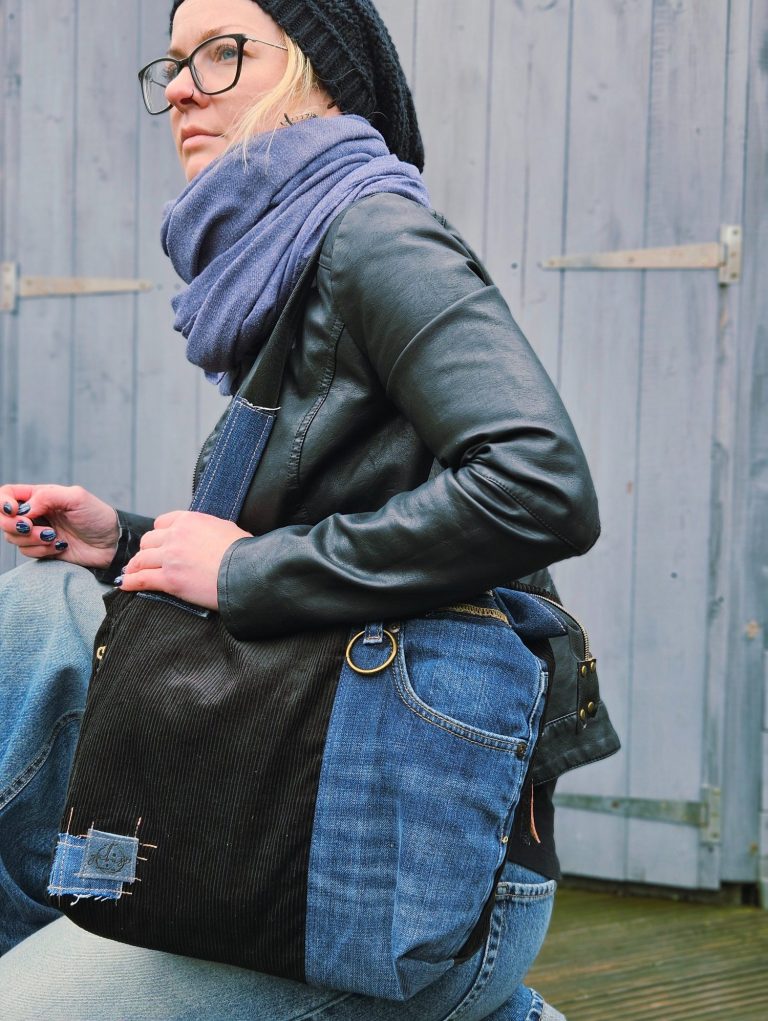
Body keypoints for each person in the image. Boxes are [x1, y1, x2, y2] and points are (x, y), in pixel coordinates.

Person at [0, 1, 600, 1017]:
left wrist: (242, 573)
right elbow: (324, 530)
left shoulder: (375, 231)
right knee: (35, 606)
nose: (182, 88)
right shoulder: (294, 263)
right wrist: (127, 542)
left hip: (417, 879)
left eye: (224, 55)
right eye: (176, 63)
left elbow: (539, 484)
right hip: (317, 792)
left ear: (321, 73)